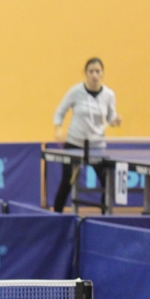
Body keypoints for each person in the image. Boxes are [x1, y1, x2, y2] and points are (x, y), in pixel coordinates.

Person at [52, 58, 122, 213]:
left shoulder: (109, 94)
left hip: (97, 146)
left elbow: (111, 116)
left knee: (107, 184)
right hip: (74, 144)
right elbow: (59, 112)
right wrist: (58, 129)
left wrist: (115, 121)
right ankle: (56, 216)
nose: (94, 75)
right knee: (67, 182)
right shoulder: (75, 91)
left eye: (98, 71)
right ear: (85, 73)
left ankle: (105, 217)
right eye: (91, 71)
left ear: (102, 73)